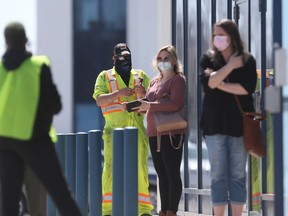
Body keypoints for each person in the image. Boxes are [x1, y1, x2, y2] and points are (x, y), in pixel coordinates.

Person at [0, 22, 81, 216]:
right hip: (34, 138)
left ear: (6, 41)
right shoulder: (38, 65)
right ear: (26, 40)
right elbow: (55, 105)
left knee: (8, 201)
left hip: (4, 140)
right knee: (60, 193)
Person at [199, 19, 257, 216]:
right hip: (214, 125)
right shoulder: (208, 58)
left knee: (239, 174)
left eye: (221, 34)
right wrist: (230, 66)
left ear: (232, 36)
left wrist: (219, 82)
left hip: (239, 126)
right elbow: (207, 84)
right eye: (215, 34)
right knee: (218, 175)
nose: (217, 38)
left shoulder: (248, 60)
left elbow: (246, 89)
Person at [92, 43, 153, 216]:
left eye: (128, 57)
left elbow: (151, 100)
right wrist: (117, 94)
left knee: (140, 168)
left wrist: (144, 92)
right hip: (113, 132)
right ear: (114, 58)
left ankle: (143, 210)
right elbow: (99, 100)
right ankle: (108, 210)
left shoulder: (140, 75)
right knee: (111, 169)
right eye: (122, 58)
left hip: (137, 130)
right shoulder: (104, 76)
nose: (125, 60)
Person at [138, 45, 186, 216]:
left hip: (170, 133)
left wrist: (149, 104)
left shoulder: (178, 80)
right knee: (161, 174)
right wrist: (138, 104)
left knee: (172, 173)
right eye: (160, 58)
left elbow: (175, 104)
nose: (163, 62)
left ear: (173, 61)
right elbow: (148, 105)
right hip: (153, 132)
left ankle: (171, 211)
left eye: (166, 58)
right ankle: (163, 210)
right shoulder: (154, 81)